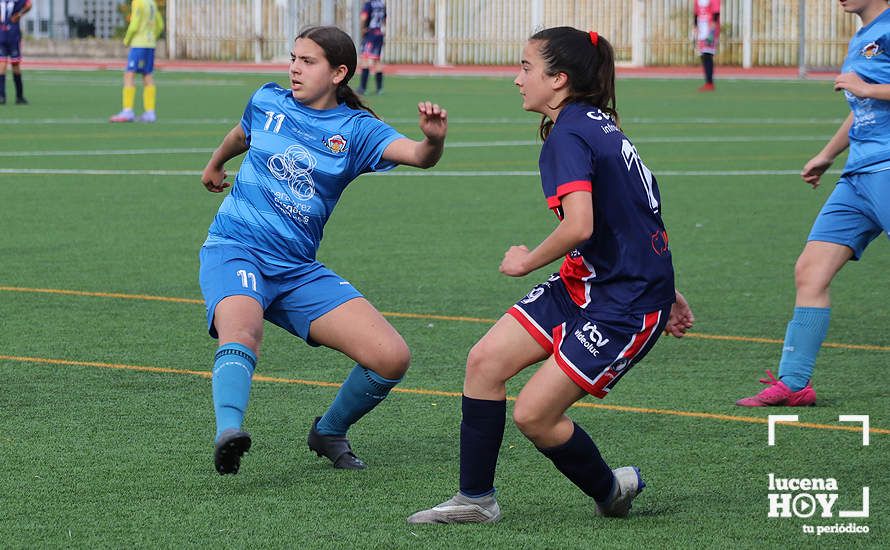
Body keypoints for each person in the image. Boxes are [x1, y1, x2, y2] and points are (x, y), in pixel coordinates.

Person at [407, 27, 693, 524]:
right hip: (585, 282)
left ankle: (610, 490)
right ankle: (475, 500)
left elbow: (582, 224)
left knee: (534, 415)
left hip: (623, 304)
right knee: (484, 362)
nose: (516, 79)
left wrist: (525, 260)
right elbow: (631, 216)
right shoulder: (593, 123)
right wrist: (669, 287)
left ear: (558, 80)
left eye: (525, 68)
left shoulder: (570, 133)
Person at [199, 25, 447, 475]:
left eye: (308, 61)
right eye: (293, 57)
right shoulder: (267, 100)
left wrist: (433, 140)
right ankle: (228, 432)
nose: (294, 68)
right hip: (236, 248)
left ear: (339, 73)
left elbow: (418, 155)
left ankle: (329, 430)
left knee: (391, 357)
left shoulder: (356, 130)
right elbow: (242, 133)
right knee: (243, 329)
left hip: (296, 269)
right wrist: (217, 162)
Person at [736, 0, 890, 407]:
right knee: (810, 270)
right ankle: (794, 383)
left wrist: (867, 87)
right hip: (858, 175)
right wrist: (828, 154)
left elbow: (868, 93)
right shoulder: (863, 35)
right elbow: (865, 110)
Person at [110, 0, 164, 123]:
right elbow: (160, 24)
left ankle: (127, 111)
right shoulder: (151, 3)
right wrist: (152, 36)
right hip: (150, 44)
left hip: (139, 44)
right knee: (147, 75)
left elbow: (134, 25)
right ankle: (150, 113)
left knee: (129, 74)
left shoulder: (138, 2)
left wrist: (127, 40)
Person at [0, 0, 31, 105]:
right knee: (13, 65)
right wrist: (20, 14)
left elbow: (28, 4)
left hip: (6, 34)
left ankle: (2, 96)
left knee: (4, 65)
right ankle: (19, 96)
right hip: (11, 35)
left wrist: (19, 14)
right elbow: (29, 4)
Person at [356, 0, 386, 95]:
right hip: (379, 33)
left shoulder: (368, 4)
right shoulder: (381, 4)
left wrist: (363, 29)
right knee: (377, 60)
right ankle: (379, 89)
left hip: (370, 33)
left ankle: (362, 88)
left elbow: (363, 17)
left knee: (365, 58)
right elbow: (384, 19)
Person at [694, 0, 720, 92]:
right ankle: (708, 82)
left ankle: (710, 83)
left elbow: (716, 13)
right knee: (703, 55)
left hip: (710, 29)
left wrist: (712, 30)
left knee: (707, 54)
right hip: (701, 29)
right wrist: (696, 27)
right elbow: (696, 13)